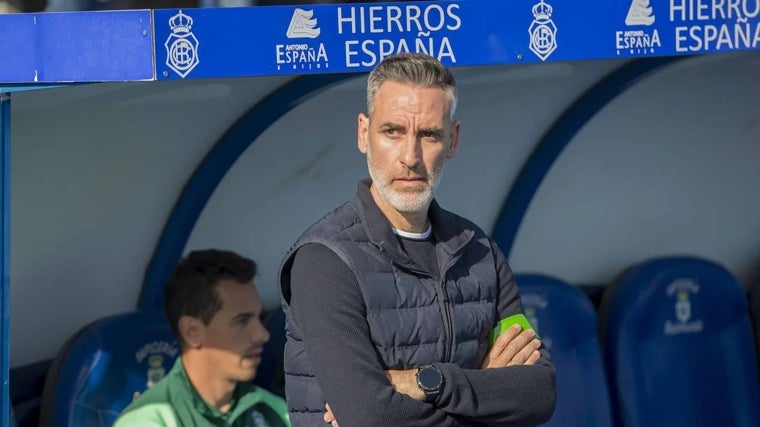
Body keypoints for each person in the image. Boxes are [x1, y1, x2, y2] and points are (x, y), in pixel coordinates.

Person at [279, 53, 556, 427]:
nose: (410, 157)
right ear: (364, 134)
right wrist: (485, 396)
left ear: (453, 139)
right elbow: (369, 415)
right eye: (392, 131)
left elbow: (539, 393)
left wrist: (431, 382)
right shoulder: (325, 260)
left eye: (428, 135)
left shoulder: (478, 251)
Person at [115, 249, 290, 427]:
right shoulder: (146, 422)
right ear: (192, 332)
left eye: (259, 318)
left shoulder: (276, 411)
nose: (262, 335)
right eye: (242, 321)